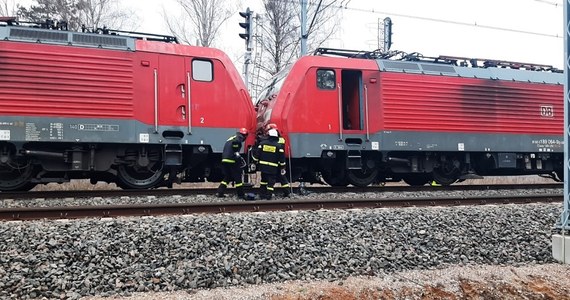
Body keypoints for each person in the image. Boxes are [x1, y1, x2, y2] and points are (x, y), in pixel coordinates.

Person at [252, 128, 285, 200]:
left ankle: (262, 195)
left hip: (263, 167)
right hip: (273, 168)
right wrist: (283, 168)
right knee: (271, 183)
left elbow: (257, 155)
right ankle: (268, 196)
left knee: (263, 181)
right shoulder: (278, 146)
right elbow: (282, 159)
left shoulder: (262, 144)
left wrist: (254, 163)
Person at [216, 128, 249, 199]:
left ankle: (220, 192)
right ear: (245, 135)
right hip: (231, 160)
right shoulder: (239, 137)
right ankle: (241, 195)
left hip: (225, 159)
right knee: (238, 178)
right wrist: (236, 152)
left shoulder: (232, 137)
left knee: (228, 177)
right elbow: (235, 143)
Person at [265, 123, 291, 197]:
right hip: (278, 161)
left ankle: (269, 194)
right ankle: (287, 192)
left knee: (276, 178)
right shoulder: (280, 139)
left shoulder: (277, 140)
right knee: (282, 178)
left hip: (276, 161)